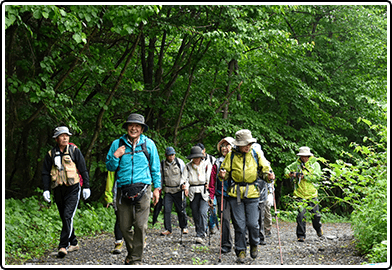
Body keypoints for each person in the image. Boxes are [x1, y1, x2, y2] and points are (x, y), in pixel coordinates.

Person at [106, 113, 161, 265]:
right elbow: (110, 167)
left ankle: (136, 259)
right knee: (124, 227)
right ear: (127, 127)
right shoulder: (117, 144)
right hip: (123, 189)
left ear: (142, 129)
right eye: (131, 125)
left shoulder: (149, 144)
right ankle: (133, 252)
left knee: (140, 225)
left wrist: (157, 188)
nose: (134, 128)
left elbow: (156, 168)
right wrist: (116, 156)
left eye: (137, 126)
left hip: (144, 189)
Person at [219, 129, 275, 263]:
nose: (248, 146)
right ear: (238, 144)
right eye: (245, 144)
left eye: (249, 143)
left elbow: (264, 171)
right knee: (239, 224)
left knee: (253, 223)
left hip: (252, 193)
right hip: (235, 193)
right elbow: (225, 173)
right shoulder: (231, 155)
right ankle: (241, 250)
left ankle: (254, 243)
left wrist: (269, 177)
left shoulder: (256, 154)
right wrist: (222, 175)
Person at [42, 126, 91, 258]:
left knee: (67, 216)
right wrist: (46, 189)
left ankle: (63, 246)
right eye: (62, 135)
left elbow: (83, 169)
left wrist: (86, 186)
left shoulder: (74, 151)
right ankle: (73, 242)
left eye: (67, 135)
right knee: (64, 216)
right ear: (56, 138)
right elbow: (46, 173)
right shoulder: (51, 154)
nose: (65, 138)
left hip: (73, 189)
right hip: (58, 189)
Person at [284, 146, 323, 242]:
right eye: (302, 156)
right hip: (299, 194)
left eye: (305, 156)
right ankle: (301, 235)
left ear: (309, 156)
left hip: (312, 194)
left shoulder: (315, 164)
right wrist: (291, 174)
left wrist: (305, 176)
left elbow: (317, 177)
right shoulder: (296, 164)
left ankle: (318, 228)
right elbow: (286, 170)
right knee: (301, 215)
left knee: (316, 216)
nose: (304, 158)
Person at [208, 136, 235, 253]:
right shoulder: (217, 162)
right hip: (222, 194)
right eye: (222, 146)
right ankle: (226, 244)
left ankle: (241, 241)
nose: (224, 148)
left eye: (227, 145)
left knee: (238, 220)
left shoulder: (237, 160)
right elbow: (212, 181)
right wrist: (211, 196)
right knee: (224, 219)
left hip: (236, 194)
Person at [183, 146, 211, 245]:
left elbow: (209, 177)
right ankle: (199, 231)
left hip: (204, 191)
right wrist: (185, 187)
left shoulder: (207, 165)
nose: (196, 159)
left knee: (203, 212)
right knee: (195, 213)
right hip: (193, 191)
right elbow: (184, 179)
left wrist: (209, 185)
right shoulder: (187, 166)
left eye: (197, 157)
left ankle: (201, 234)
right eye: (194, 157)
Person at [160, 147, 189, 236]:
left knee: (181, 209)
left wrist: (186, 186)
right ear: (166, 155)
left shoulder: (179, 162)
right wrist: (159, 189)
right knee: (167, 210)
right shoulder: (162, 164)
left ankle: (184, 227)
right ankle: (168, 229)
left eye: (172, 154)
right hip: (168, 190)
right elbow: (160, 177)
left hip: (178, 190)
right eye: (169, 155)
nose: (171, 157)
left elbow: (185, 175)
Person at [195, 142, 218, 234]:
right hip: (200, 187)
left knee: (213, 207)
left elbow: (216, 173)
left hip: (212, 187)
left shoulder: (212, 160)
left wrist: (212, 185)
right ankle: (203, 229)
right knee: (201, 210)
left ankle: (212, 225)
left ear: (204, 150)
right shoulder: (196, 160)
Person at [104, 171, 124, 254]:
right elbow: (110, 177)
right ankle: (118, 243)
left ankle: (138, 243)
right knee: (119, 218)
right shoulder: (115, 159)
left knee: (134, 218)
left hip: (134, 192)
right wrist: (108, 196)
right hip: (118, 193)